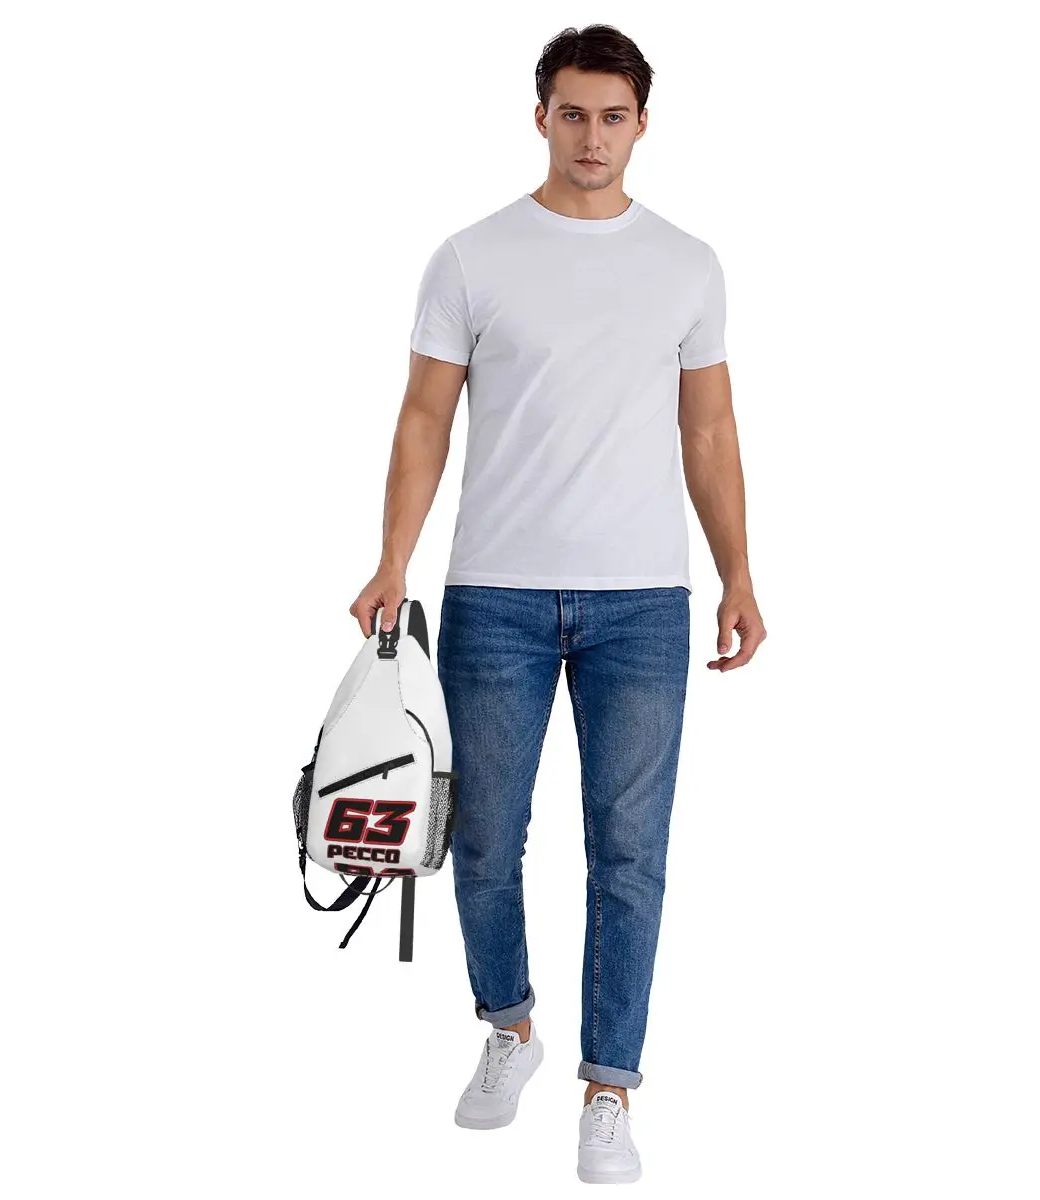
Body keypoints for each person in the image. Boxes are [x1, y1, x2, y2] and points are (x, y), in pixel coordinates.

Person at [350, 23, 765, 1185]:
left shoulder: (687, 264)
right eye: (573, 114)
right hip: (495, 595)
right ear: (541, 117)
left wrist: (739, 572)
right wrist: (392, 559)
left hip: (645, 602)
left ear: (643, 123)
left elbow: (709, 430)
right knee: (483, 839)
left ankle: (610, 1088)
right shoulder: (472, 257)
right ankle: (511, 1026)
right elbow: (424, 416)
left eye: (613, 116)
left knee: (630, 854)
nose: (593, 137)